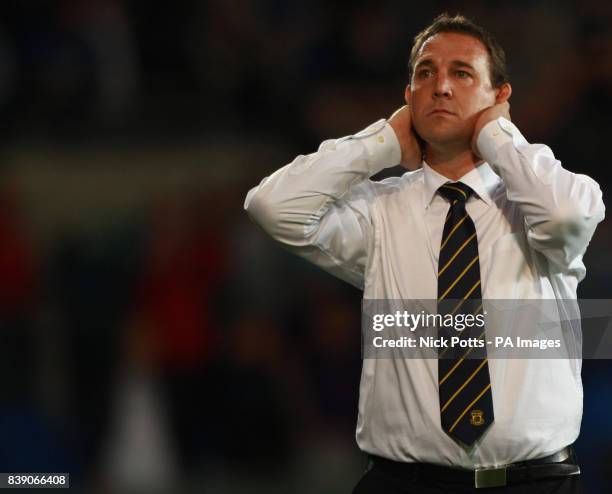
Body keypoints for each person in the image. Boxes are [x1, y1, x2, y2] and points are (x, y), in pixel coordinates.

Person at [244, 13, 605, 494]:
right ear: (408, 97)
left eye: (462, 73)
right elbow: (272, 206)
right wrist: (381, 143)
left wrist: (498, 137)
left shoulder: (545, 200)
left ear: (500, 97)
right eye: (425, 73)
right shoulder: (380, 211)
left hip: (535, 484)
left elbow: (564, 218)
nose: (440, 86)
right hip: (403, 484)